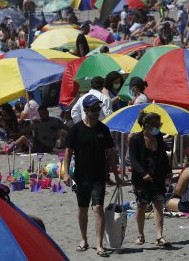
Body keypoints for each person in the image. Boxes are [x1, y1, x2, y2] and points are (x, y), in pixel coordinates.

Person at [63, 95, 121, 257]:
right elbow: (68, 151)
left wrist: (116, 175)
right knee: (82, 208)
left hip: (98, 177)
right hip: (81, 176)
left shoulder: (103, 129)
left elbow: (111, 154)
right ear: (86, 110)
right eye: (94, 109)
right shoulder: (76, 129)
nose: (97, 112)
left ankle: (99, 245)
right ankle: (83, 239)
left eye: (98, 108)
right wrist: (66, 173)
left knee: (98, 208)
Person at [129, 111, 172, 247]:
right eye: (156, 124)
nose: (158, 127)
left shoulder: (158, 136)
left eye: (159, 124)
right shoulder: (136, 139)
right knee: (141, 206)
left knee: (158, 205)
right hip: (141, 179)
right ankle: (140, 234)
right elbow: (133, 159)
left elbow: (163, 155)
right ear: (146, 125)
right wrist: (143, 173)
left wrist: (168, 170)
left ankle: (159, 236)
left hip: (158, 176)